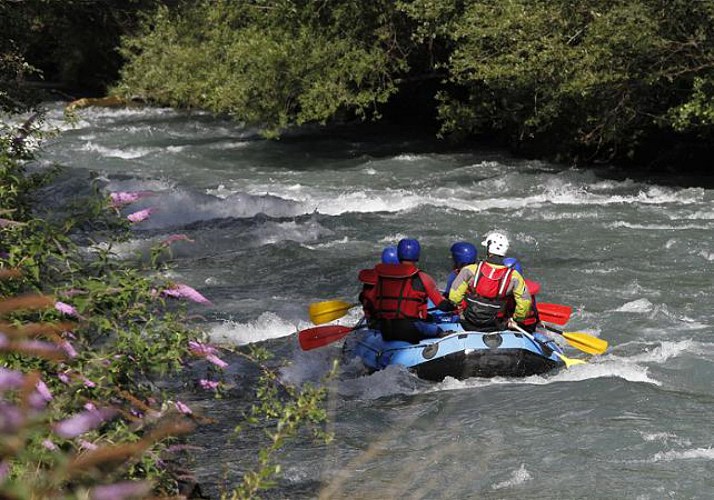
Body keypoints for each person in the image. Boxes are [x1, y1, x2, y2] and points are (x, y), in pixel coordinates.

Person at [364, 238, 455, 343]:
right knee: (437, 329)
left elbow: (369, 303)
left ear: (398, 255)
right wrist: (454, 306)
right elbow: (442, 305)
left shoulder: (381, 277)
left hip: (385, 329)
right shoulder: (422, 277)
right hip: (411, 330)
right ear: (417, 256)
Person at [448, 231, 532, 332]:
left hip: (469, 322)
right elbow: (525, 303)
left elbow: (454, 298)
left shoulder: (469, 270)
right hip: (495, 325)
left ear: (489, 250)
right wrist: (516, 319)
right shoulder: (514, 276)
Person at [359, 246, 399, 318]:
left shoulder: (371, 279)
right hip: (391, 321)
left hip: (373, 319)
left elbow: (362, 298)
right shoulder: (400, 279)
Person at [503, 257, 540, 332]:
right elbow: (533, 308)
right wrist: (538, 320)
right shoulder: (524, 289)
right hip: (528, 324)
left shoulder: (502, 288)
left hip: (519, 325)